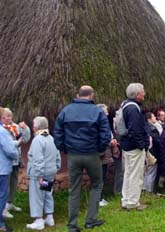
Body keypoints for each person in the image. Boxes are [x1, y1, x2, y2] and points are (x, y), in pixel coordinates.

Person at [53, 85, 111, 232]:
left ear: (78, 95)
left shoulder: (66, 110)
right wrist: (99, 149)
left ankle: (72, 225)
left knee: (74, 189)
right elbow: (105, 134)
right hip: (91, 154)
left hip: (73, 154)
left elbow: (57, 133)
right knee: (97, 185)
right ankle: (90, 220)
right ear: (91, 95)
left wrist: (64, 148)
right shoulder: (97, 111)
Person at [26, 117, 61, 230]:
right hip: (50, 172)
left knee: (37, 196)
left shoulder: (37, 140)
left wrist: (40, 175)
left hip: (40, 174)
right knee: (47, 194)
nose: (32, 127)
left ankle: (38, 220)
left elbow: (38, 159)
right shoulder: (51, 138)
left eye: (33, 125)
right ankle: (50, 217)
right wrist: (55, 168)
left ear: (36, 127)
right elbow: (57, 157)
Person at [119, 83, 150, 210]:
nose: (144, 93)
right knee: (135, 175)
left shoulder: (125, 105)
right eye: (143, 91)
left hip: (127, 145)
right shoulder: (133, 108)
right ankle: (133, 202)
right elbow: (135, 130)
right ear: (137, 94)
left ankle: (126, 200)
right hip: (134, 147)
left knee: (128, 173)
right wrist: (141, 145)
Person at [1, 108, 31, 219]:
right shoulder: (1, 129)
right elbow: (8, 145)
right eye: (6, 116)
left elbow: (26, 139)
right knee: (4, 185)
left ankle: (9, 203)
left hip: (15, 160)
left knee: (13, 182)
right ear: (2, 117)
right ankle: (3, 208)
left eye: (10, 116)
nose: (8, 118)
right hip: (5, 161)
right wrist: (16, 143)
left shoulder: (15, 127)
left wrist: (25, 128)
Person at [0, 107, 18, 232]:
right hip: (2, 168)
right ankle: (0, 224)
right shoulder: (2, 132)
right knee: (2, 195)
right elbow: (10, 150)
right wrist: (16, 155)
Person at [96, 104, 117, 207]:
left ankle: (100, 197)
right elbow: (101, 139)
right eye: (106, 112)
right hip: (100, 155)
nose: (108, 113)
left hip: (104, 154)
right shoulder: (98, 124)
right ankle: (98, 199)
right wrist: (110, 142)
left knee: (102, 176)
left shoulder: (104, 124)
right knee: (99, 177)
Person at [144, 112, 160, 193]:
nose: (155, 118)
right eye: (153, 116)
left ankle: (144, 190)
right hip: (152, 153)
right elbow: (157, 141)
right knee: (151, 172)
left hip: (145, 152)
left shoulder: (143, 127)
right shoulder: (152, 129)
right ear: (149, 119)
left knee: (146, 173)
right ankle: (149, 191)